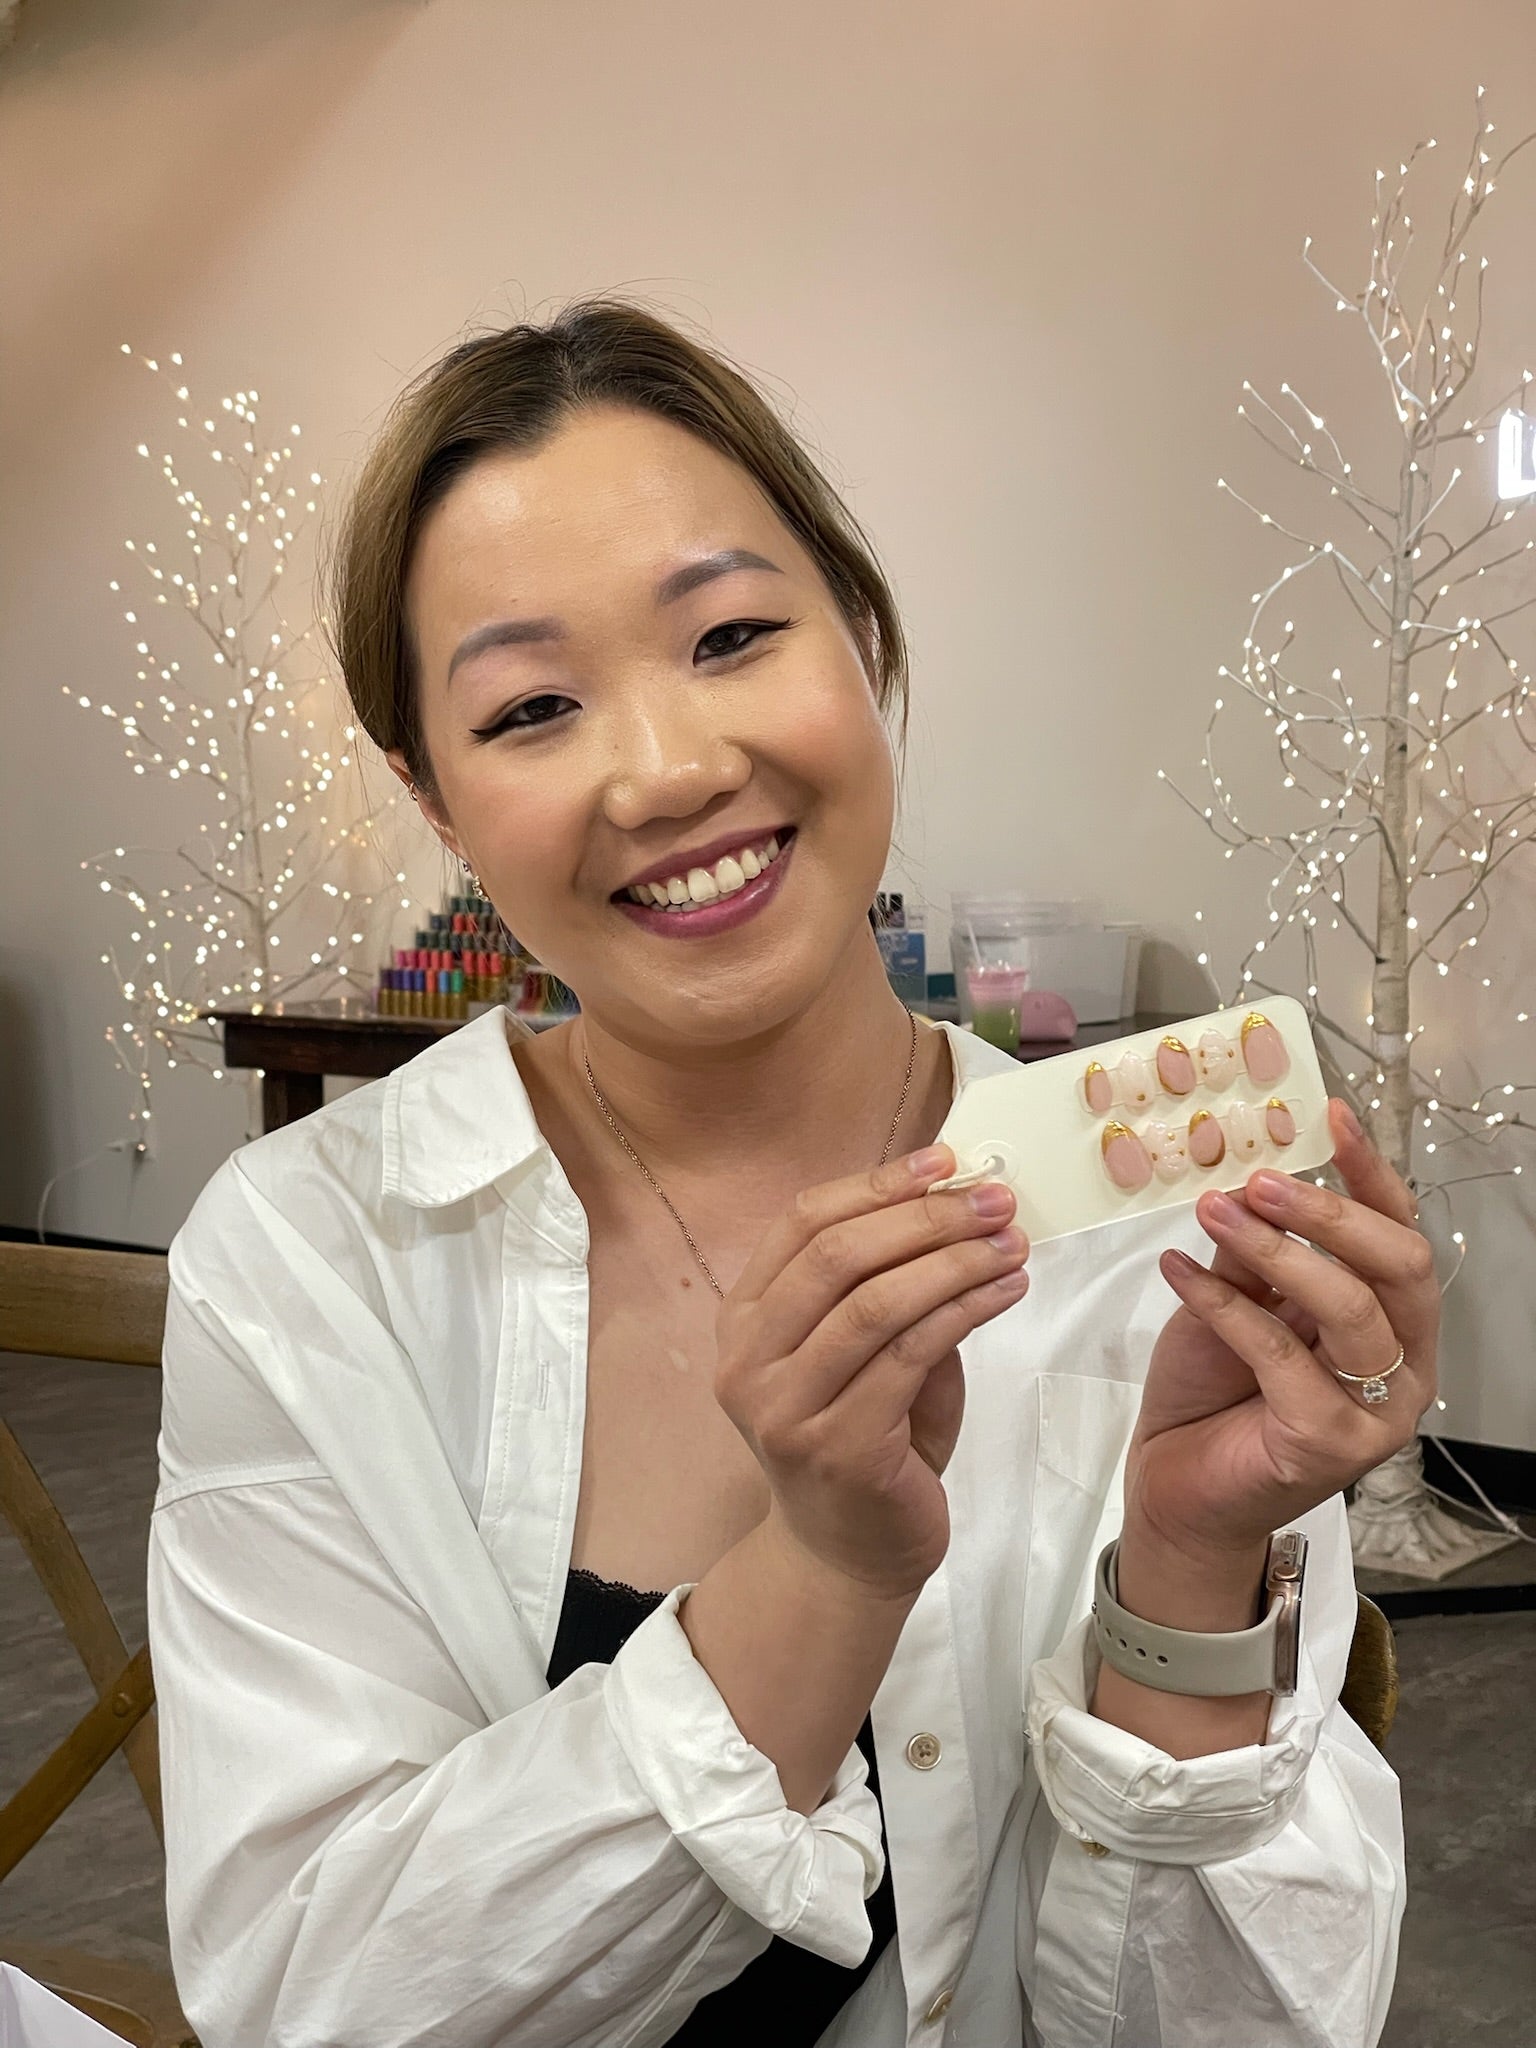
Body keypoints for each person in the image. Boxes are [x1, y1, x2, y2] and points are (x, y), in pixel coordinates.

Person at [148, 301, 1428, 2048]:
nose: (669, 771)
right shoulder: (311, 1255)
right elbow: (310, 2002)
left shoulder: (1159, 1247)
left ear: (864, 637)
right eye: (531, 707)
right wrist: (818, 1573)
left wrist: (1194, 1570)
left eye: (735, 634)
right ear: (433, 799)